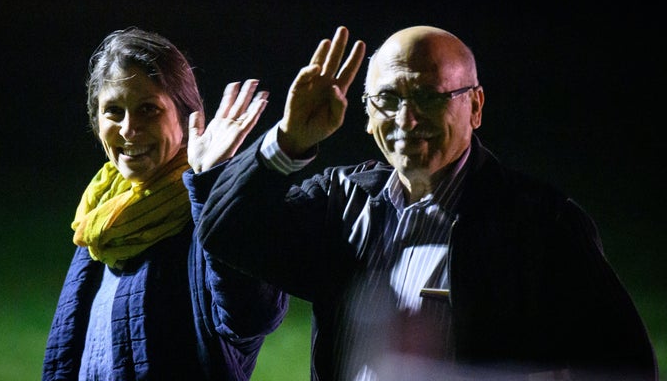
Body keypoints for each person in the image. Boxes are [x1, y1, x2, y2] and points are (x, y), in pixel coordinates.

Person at [190, 26, 658, 380]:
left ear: (475, 106)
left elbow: (624, 366)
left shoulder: (540, 224)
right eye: (389, 99)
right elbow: (228, 232)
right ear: (368, 114)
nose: (407, 119)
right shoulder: (344, 202)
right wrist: (288, 142)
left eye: (429, 97)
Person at [42, 27, 288, 380]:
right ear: (96, 122)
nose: (129, 129)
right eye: (113, 111)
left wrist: (213, 184)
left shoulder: (209, 207)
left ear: (186, 118)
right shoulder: (102, 218)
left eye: (148, 109)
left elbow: (254, 316)